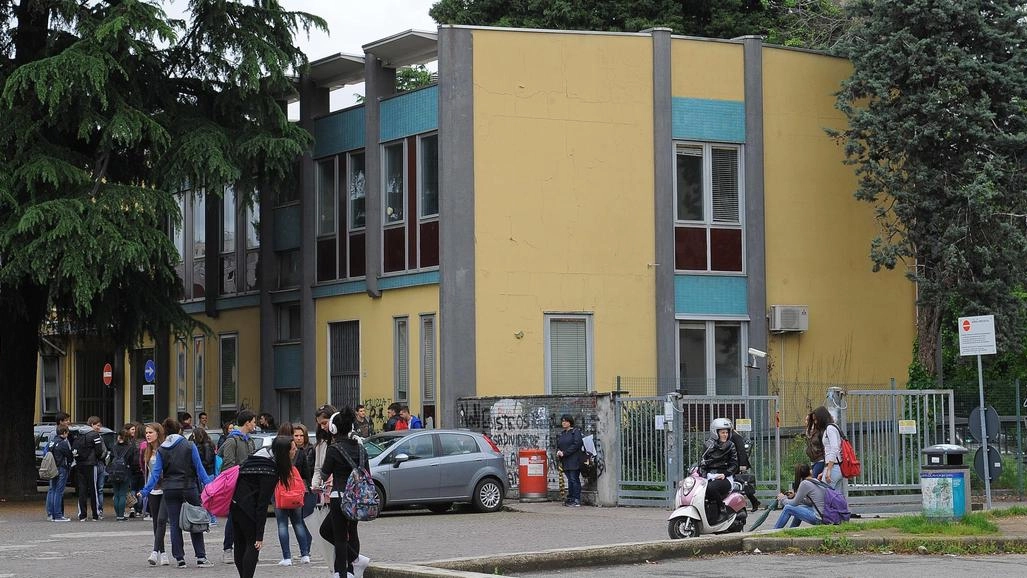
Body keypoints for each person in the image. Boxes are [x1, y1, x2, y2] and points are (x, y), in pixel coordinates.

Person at [139, 418, 214, 567]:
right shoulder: (189, 445)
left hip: (169, 489)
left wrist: (145, 490)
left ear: (165, 432)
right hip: (189, 487)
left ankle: (180, 559)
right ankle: (201, 557)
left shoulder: (161, 449)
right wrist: (210, 487)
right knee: (195, 520)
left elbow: (155, 474)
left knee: (174, 524)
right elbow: (200, 469)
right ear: (180, 430)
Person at [231, 435, 293, 578]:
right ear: (284, 452)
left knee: (239, 544)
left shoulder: (255, 459)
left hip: (235, 504)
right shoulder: (269, 471)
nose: (295, 451)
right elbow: (262, 504)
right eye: (293, 449)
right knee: (253, 545)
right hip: (248, 509)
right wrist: (260, 535)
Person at [320, 408, 371, 578]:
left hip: (339, 497)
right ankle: (355, 563)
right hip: (358, 498)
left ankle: (344, 572)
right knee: (352, 532)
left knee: (339, 537)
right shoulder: (361, 448)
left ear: (333, 429)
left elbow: (325, 474)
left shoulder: (334, 449)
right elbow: (367, 473)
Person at [220, 409, 258, 564]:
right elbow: (227, 465)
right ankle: (228, 549)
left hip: (250, 487)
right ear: (247, 422)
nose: (255, 424)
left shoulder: (249, 440)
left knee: (248, 519)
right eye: (254, 422)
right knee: (233, 519)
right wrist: (242, 470)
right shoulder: (232, 440)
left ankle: (247, 548)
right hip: (236, 486)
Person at [275, 426, 312, 566]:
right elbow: (306, 475)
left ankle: (287, 557)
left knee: (282, 525)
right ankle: (305, 554)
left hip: (282, 498)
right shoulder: (297, 462)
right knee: (298, 523)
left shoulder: (276, 464)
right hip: (295, 497)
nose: (295, 448)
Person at [699, 418, 738, 521]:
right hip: (710, 476)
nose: (725, 434)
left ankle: (722, 509)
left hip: (725, 477)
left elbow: (734, 464)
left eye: (726, 432)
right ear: (715, 432)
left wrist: (725, 474)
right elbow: (702, 463)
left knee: (711, 488)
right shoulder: (708, 445)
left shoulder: (731, 445)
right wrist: (703, 477)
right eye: (722, 432)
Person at [141, 422, 170, 566]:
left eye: (150, 432)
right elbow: (145, 470)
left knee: (162, 520)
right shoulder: (145, 451)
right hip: (152, 490)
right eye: (146, 432)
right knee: (155, 522)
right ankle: (162, 552)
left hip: (165, 489)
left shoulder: (164, 449)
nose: (147, 435)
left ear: (158, 433)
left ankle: (156, 551)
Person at [774, 463, 827, 529]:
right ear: (809, 471)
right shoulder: (815, 480)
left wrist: (782, 499)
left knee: (788, 508)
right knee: (799, 508)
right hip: (824, 516)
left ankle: (773, 531)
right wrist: (795, 496)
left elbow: (793, 503)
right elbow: (810, 503)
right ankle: (792, 530)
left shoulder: (805, 483)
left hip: (818, 518)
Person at [75, 416, 106, 521]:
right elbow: (99, 451)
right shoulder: (94, 435)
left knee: (82, 489)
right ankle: (95, 514)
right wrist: (97, 458)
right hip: (91, 464)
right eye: (97, 425)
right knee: (94, 489)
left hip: (79, 464)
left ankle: (82, 515)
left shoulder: (79, 433)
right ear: (92, 425)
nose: (99, 427)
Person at [812, 406, 845, 491]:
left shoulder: (830, 429)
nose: (815, 422)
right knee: (836, 499)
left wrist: (828, 470)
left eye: (816, 419)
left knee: (823, 496)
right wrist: (825, 471)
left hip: (833, 467)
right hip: (836, 467)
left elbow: (834, 449)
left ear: (821, 418)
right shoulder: (833, 427)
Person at [45, 424, 73, 522]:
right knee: (59, 492)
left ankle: (51, 513)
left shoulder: (52, 442)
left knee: (52, 490)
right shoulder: (63, 443)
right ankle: (58, 515)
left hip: (52, 468)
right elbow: (69, 456)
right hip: (61, 468)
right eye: (67, 433)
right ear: (64, 433)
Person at [191, 427, 218, 526]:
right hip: (206, 472)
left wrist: (197, 463)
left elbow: (207, 460)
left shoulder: (206, 445)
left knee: (207, 497)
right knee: (206, 496)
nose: (193, 437)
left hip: (207, 473)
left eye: (194, 435)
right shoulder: (205, 444)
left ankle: (212, 518)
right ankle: (210, 517)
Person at [556, 414, 584, 507]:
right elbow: (559, 445)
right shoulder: (563, 434)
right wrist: (559, 452)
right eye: (562, 421)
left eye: (566, 421)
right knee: (570, 480)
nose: (563, 422)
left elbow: (577, 444)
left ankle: (576, 499)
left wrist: (565, 452)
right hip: (565, 460)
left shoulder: (575, 432)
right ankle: (570, 498)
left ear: (570, 422)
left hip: (574, 459)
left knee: (574, 479)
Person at [730, 428, 760, 511]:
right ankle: (754, 502)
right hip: (734, 464)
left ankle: (752, 502)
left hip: (738, 464)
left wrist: (742, 465)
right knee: (740, 484)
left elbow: (741, 451)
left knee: (741, 483)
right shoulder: (731, 435)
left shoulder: (735, 436)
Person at [110, 426, 136, 521]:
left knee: (116, 493)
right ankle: (121, 515)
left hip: (114, 472)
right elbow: (133, 461)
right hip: (126, 471)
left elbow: (110, 459)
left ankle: (118, 515)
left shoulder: (114, 447)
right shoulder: (130, 448)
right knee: (122, 494)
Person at [310, 404, 336, 494]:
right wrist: (315, 486)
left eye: (324, 423)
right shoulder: (321, 443)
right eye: (319, 424)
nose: (322, 427)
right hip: (326, 491)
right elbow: (318, 468)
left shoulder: (350, 438)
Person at [804, 410, 826, 477]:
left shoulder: (819, 431)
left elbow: (824, 445)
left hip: (820, 459)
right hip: (812, 460)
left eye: (807, 420)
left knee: (814, 479)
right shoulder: (808, 432)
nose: (806, 422)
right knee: (817, 480)